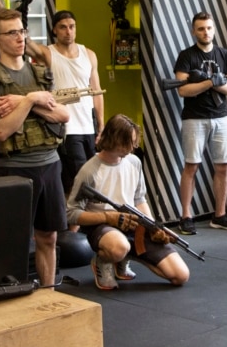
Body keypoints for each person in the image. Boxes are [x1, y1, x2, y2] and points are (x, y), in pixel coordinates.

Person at [0, 7, 70, 287]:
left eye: (22, 31)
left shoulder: (40, 73)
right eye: (12, 32)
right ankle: (14, 301)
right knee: (13, 241)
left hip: (50, 163)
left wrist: (23, 103)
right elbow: (2, 130)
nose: (20, 38)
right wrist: (30, 99)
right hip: (15, 168)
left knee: (49, 236)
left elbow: (63, 115)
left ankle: (49, 292)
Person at [66, 114, 190, 290]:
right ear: (115, 139)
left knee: (180, 276)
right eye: (129, 143)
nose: (133, 148)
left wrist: (153, 226)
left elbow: (140, 199)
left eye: (134, 142)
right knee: (118, 247)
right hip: (102, 227)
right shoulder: (89, 170)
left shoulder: (134, 162)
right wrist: (108, 217)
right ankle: (104, 261)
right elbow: (71, 213)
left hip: (133, 225)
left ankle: (128, 254)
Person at [173, 12, 227, 235]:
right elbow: (183, 90)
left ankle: (219, 215)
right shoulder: (186, 56)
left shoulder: (224, 55)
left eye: (209, 28)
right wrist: (211, 81)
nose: (206, 32)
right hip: (194, 118)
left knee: (224, 166)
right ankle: (186, 216)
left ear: (214, 29)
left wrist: (213, 83)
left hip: (221, 117)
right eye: (201, 29)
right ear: (194, 31)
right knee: (191, 166)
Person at [25, 10, 104, 197]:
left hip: (88, 126)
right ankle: (77, 221)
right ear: (54, 30)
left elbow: (97, 91)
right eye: (63, 27)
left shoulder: (89, 54)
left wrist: (101, 123)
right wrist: (0, 9)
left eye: (71, 26)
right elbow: (24, 43)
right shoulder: (48, 53)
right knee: (80, 178)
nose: (68, 31)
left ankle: (82, 220)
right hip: (66, 127)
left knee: (91, 175)